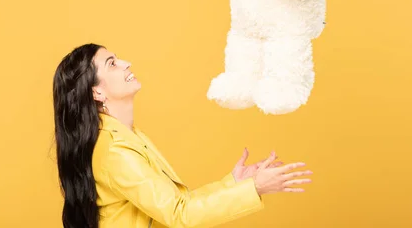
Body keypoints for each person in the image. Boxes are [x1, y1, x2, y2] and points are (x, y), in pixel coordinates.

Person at [52, 43, 313, 228]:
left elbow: (176, 203)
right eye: (112, 63)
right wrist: (254, 188)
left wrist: (234, 182)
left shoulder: (126, 137)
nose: (125, 63)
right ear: (96, 92)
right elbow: (180, 214)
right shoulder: (115, 151)